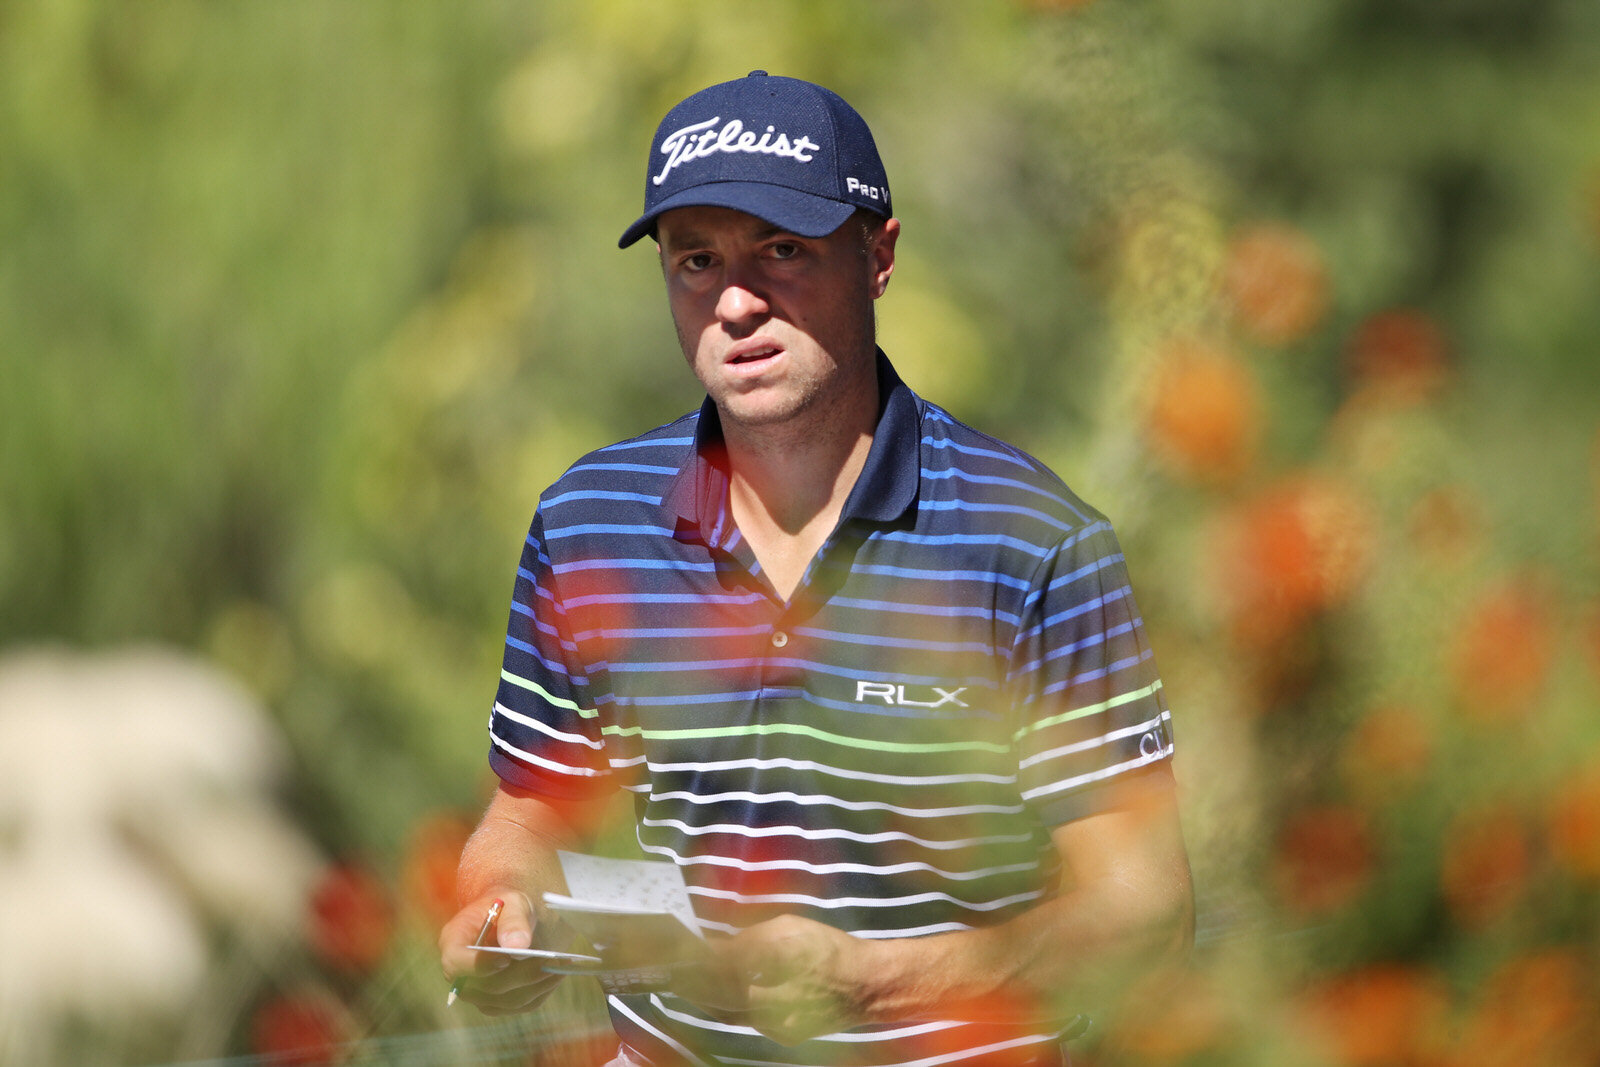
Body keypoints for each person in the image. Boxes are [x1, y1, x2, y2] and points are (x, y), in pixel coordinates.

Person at [440, 71, 1193, 1067]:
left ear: (877, 255)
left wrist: (876, 973)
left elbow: (1142, 905)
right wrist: (499, 910)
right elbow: (527, 809)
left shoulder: (1033, 539)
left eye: (782, 251)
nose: (737, 302)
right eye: (696, 260)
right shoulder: (589, 519)